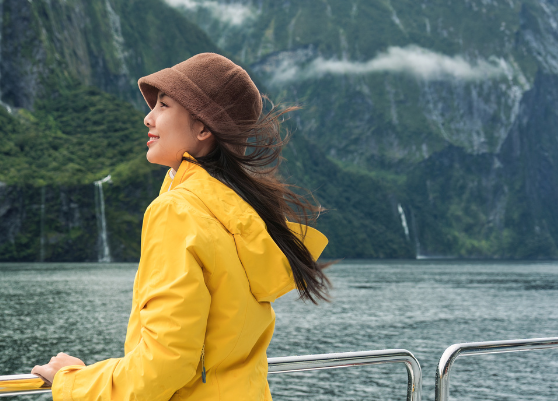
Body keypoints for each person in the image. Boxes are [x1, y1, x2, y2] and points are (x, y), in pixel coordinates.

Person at [31, 53, 332, 401]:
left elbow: (164, 365)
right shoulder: (242, 216)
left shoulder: (177, 212)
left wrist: (71, 381)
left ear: (204, 128)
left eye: (163, 105)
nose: (148, 117)